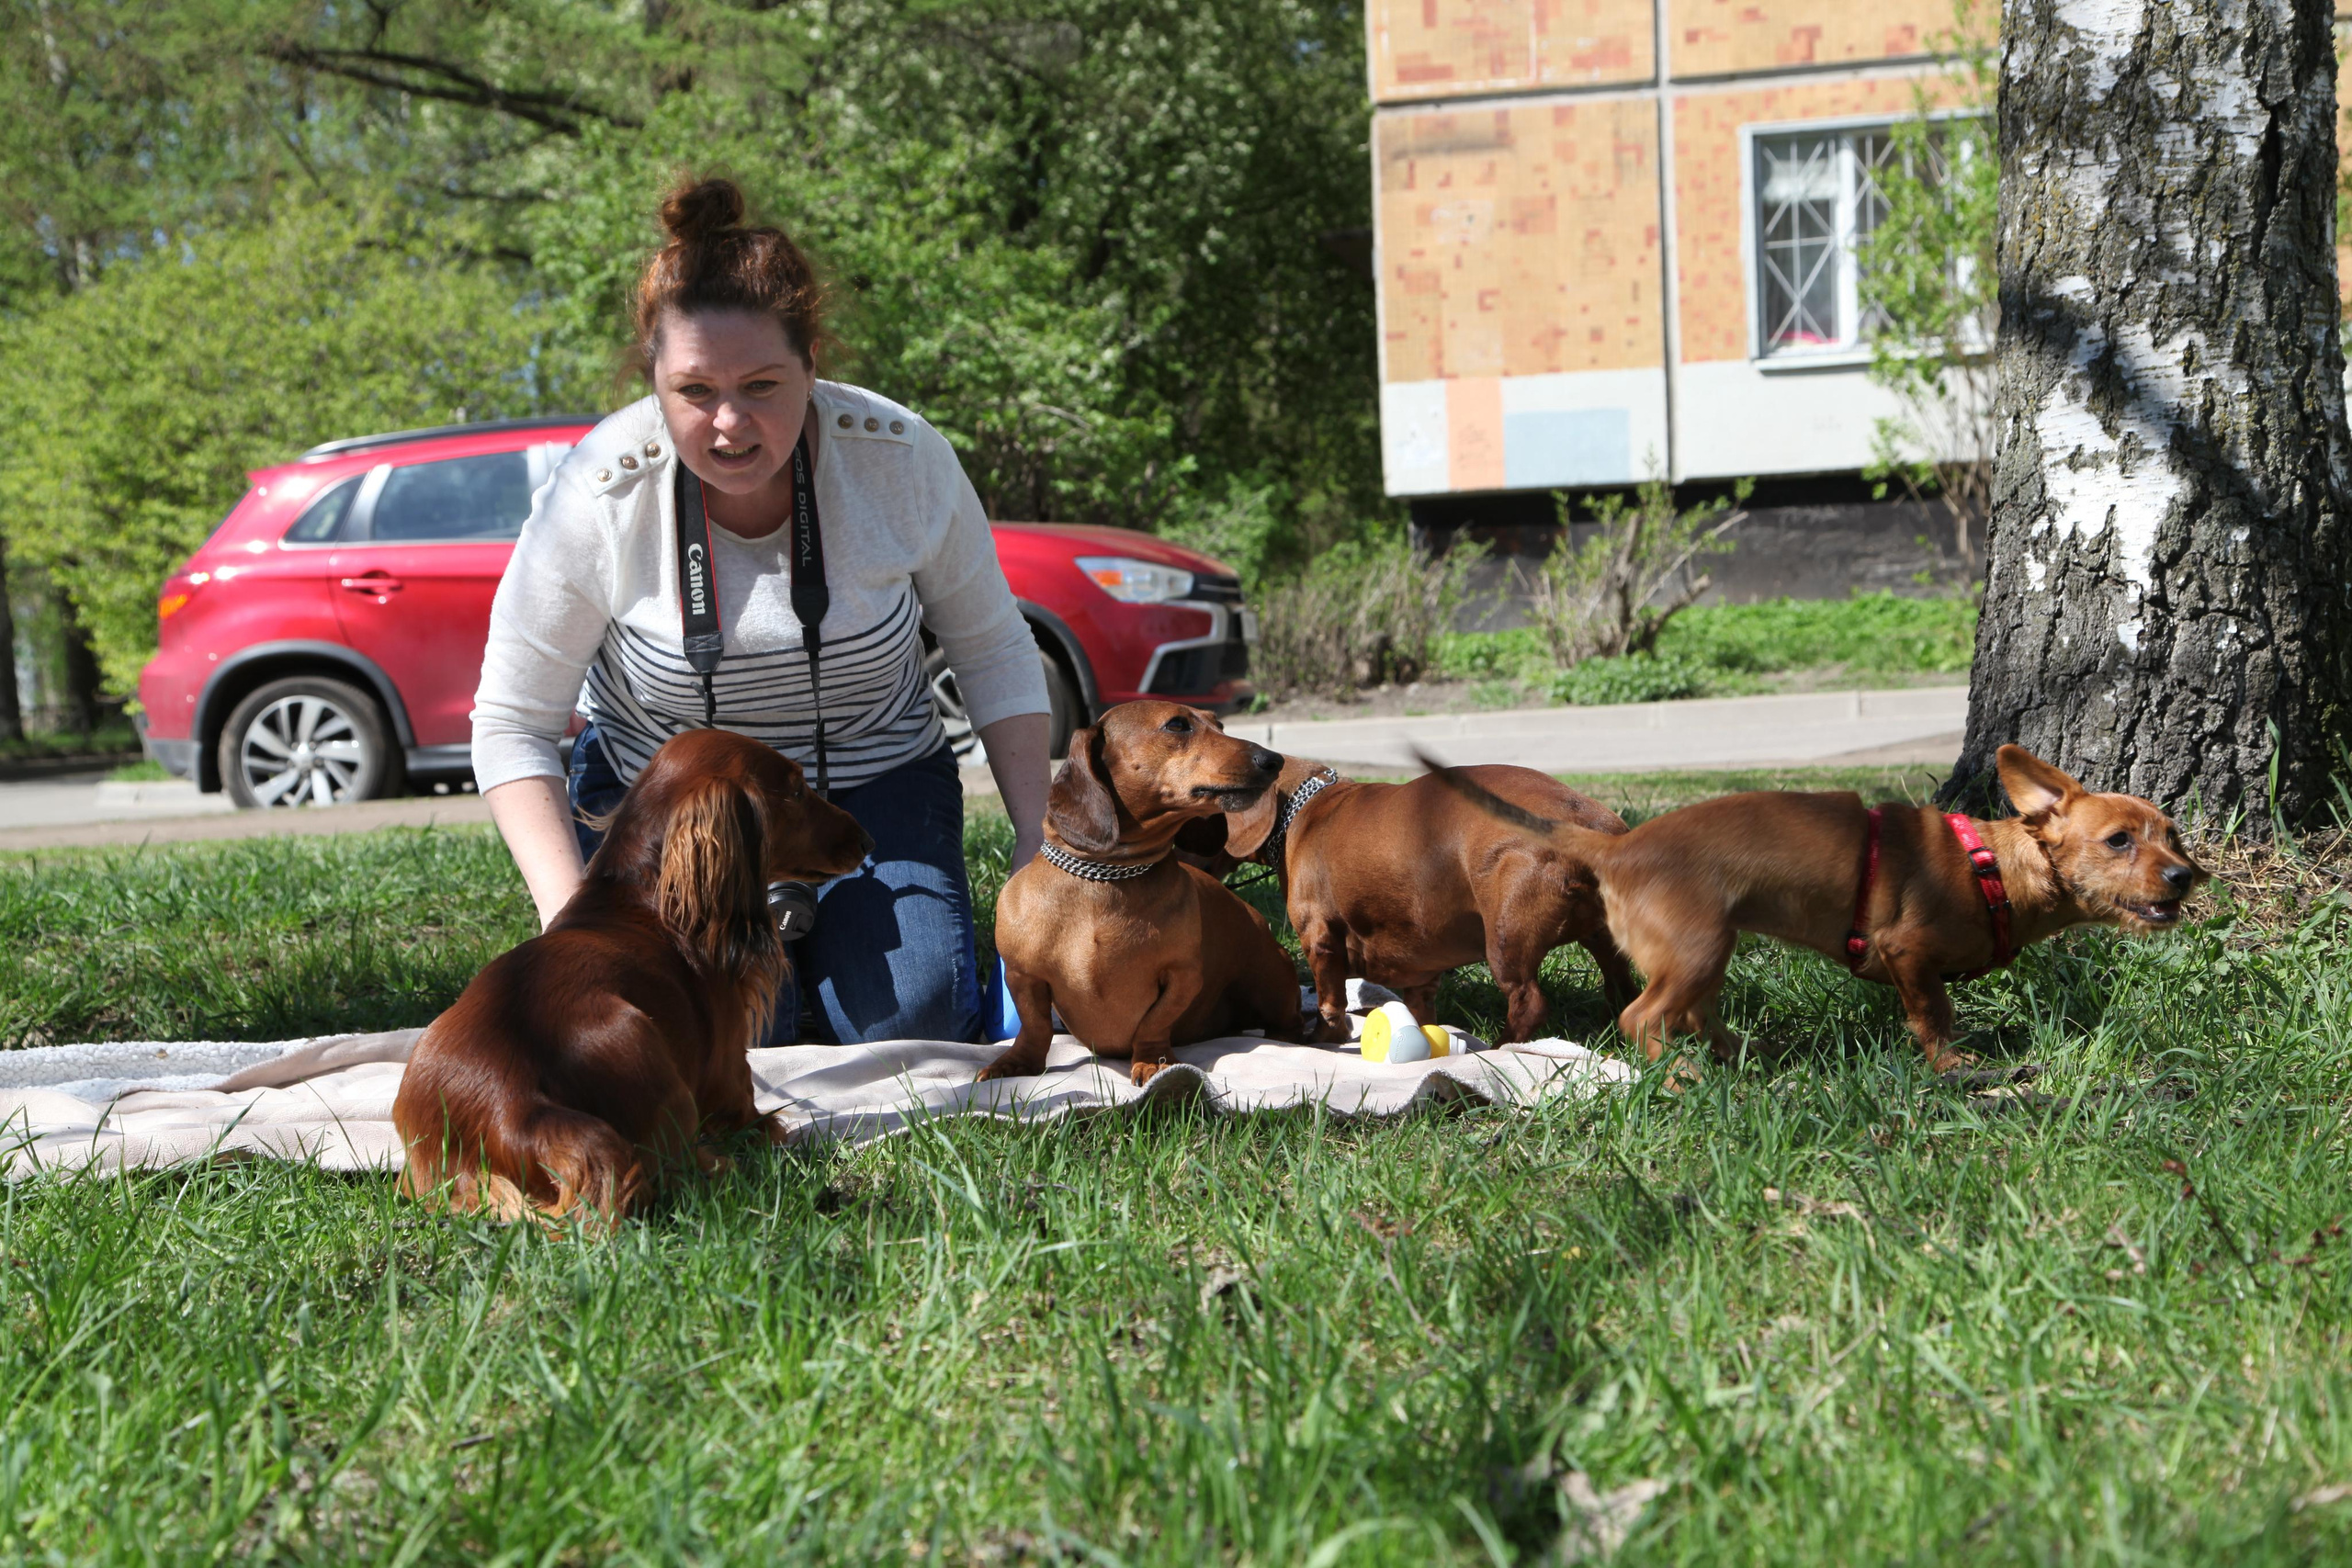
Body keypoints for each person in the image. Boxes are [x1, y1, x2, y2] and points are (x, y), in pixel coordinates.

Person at [469, 175, 1051, 1045]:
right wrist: (571, 926)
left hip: (871, 776)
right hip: (680, 810)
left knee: (913, 1029)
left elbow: (995, 650)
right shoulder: (597, 491)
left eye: (763, 385)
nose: (730, 424)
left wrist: (1038, 852)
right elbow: (511, 722)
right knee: (729, 1035)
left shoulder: (900, 458)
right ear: (652, 380)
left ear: (814, 360)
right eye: (694, 391)